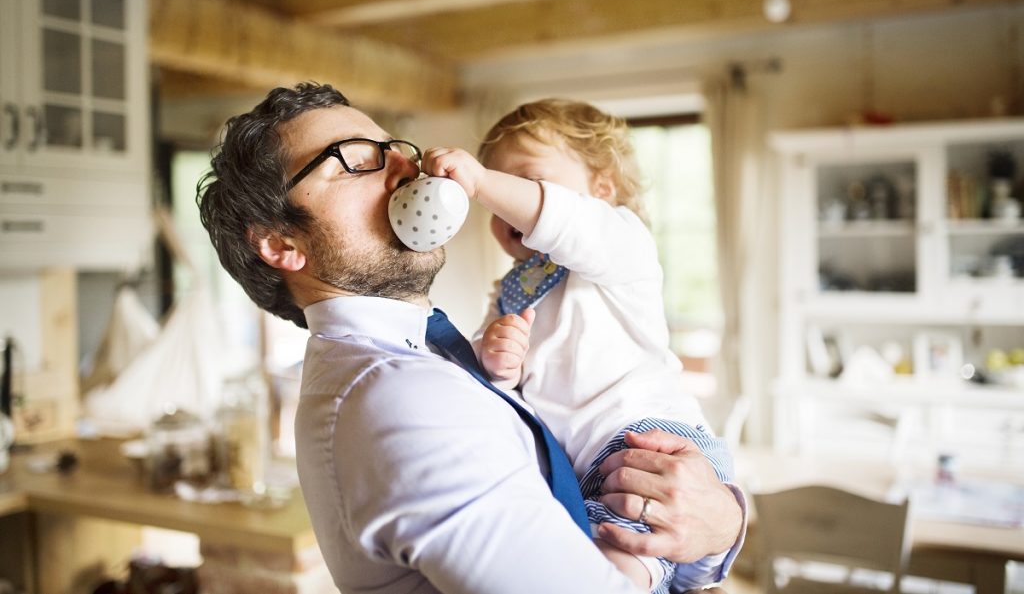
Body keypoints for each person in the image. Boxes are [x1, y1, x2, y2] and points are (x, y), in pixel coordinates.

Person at [197, 82, 744, 594]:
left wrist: (717, 523)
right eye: (355, 158)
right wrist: (716, 528)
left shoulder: (422, 359)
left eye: (393, 147)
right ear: (281, 242)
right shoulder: (399, 398)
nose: (406, 167)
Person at [421, 99, 740, 592]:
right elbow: (501, 386)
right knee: (574, 554)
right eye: (496, 195)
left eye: (526, 182)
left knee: (622, 558)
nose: (503, 201)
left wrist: (482, 180)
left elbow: (569, 222)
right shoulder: (512, 288)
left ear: (602, 190)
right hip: (577, 465)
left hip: (646, 440)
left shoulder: (620, 246)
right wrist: (498, 361)